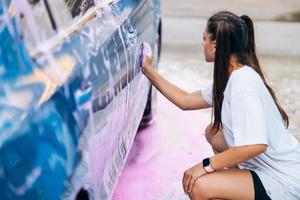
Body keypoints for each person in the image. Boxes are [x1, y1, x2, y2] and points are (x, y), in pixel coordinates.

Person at [141, 11, 300, 200]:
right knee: (214, 133)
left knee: (199, 186)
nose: (203, 43)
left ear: (215, 45)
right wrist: (148, 70)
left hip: (284, 180)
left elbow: (256, 145)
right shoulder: (231, 77)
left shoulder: (243, 83)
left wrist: (206, 165)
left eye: (204, 38)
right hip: (264, 169)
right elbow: (185, 100)